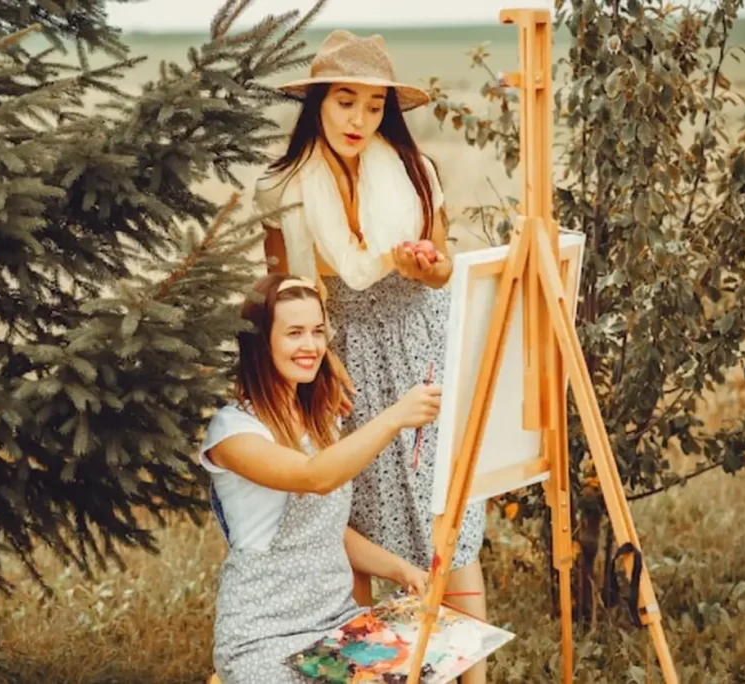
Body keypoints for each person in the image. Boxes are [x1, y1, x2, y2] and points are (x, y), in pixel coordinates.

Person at [253, 29, 489, 682]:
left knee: (448, 513)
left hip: (421, 349)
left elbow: (443, 270)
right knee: (354, 522)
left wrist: (428, 266)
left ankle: (473, 675)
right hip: (343, 357)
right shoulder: (285, 189)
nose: (359, 119)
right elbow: (286, 293)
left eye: (373, 105)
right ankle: (363, 674)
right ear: (319, 104)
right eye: (345, 102)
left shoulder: (416, 173)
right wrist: (320, 366)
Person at [201, 273, 442, 684]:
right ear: (262, 342)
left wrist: (402, 570)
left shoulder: (320, 419)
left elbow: (324, 529)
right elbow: (315, 478)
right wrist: (396, 417)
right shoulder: (233, 433)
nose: (311, 346)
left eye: (317, 332)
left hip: (337, 624)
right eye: (294, 333)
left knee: (431, 669)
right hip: (264, 637)